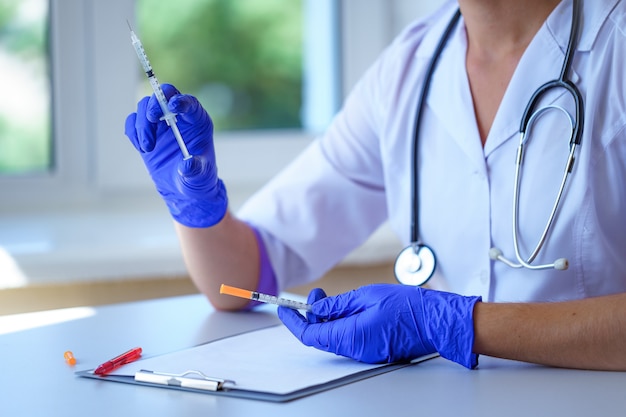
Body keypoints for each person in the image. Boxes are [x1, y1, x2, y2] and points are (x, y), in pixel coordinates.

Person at [125, 0, 626, 371]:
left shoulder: (616, 46)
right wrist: (196, 206)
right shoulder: (409, 69)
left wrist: (457, 325)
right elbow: (243, 274)